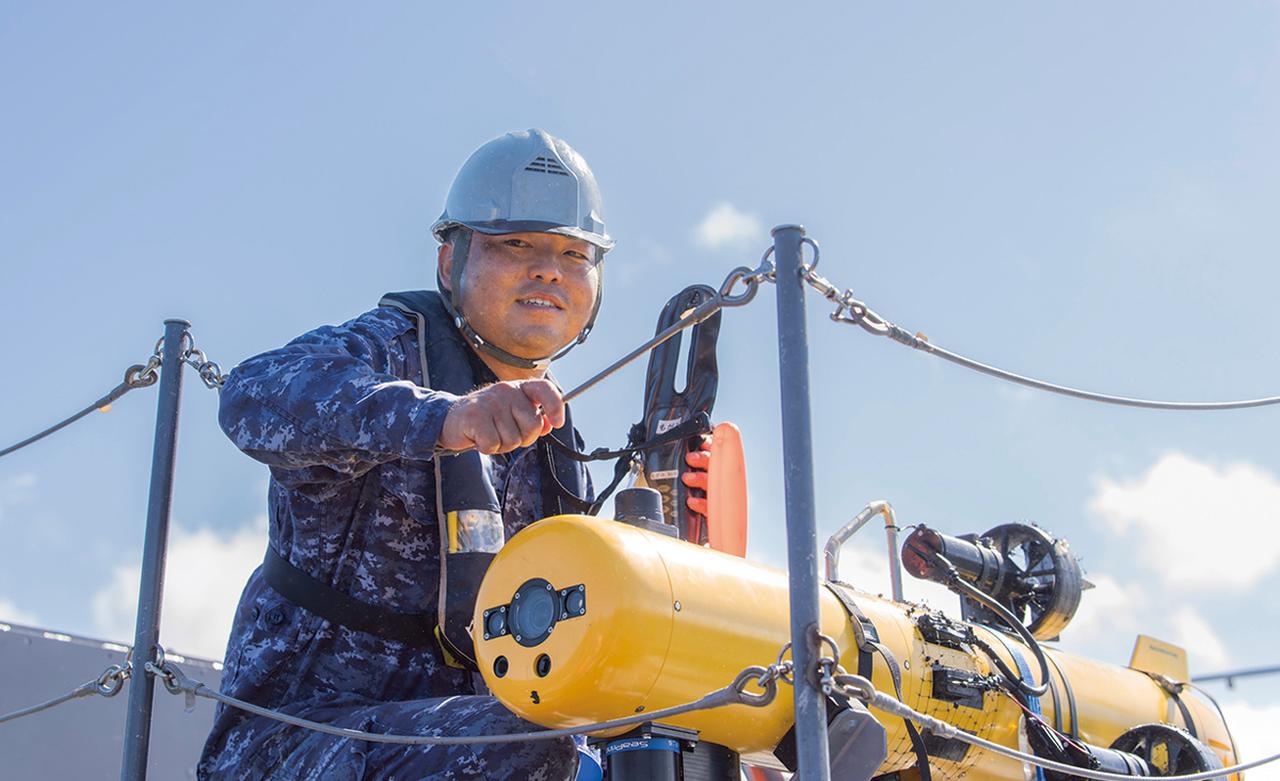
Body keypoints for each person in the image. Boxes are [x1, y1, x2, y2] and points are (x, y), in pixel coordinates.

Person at [198, 129, 703, 780]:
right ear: (449, 262)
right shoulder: (387, 352)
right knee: (538, 751)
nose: (548, 267)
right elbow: (253, 395)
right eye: (514, 243)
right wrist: (445, 417)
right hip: (291, 743)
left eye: (574, 252)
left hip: (463, 739)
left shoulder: (552, 433)